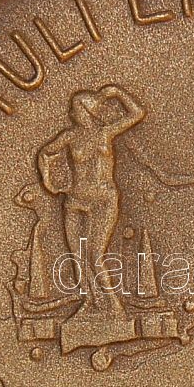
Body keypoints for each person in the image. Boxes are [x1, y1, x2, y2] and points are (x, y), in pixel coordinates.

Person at [37, 84, 145, 310]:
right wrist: (48, 182)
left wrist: (116, 91)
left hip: (102, 199)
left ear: (85, 111)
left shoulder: (105, 133)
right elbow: (45, 154)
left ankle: (113, 305)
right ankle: (89, 302)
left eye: (75, 109)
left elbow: (137, 113)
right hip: (75, 200)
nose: (71, 113)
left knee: (95, 253)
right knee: (77, 257)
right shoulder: (70, 136)